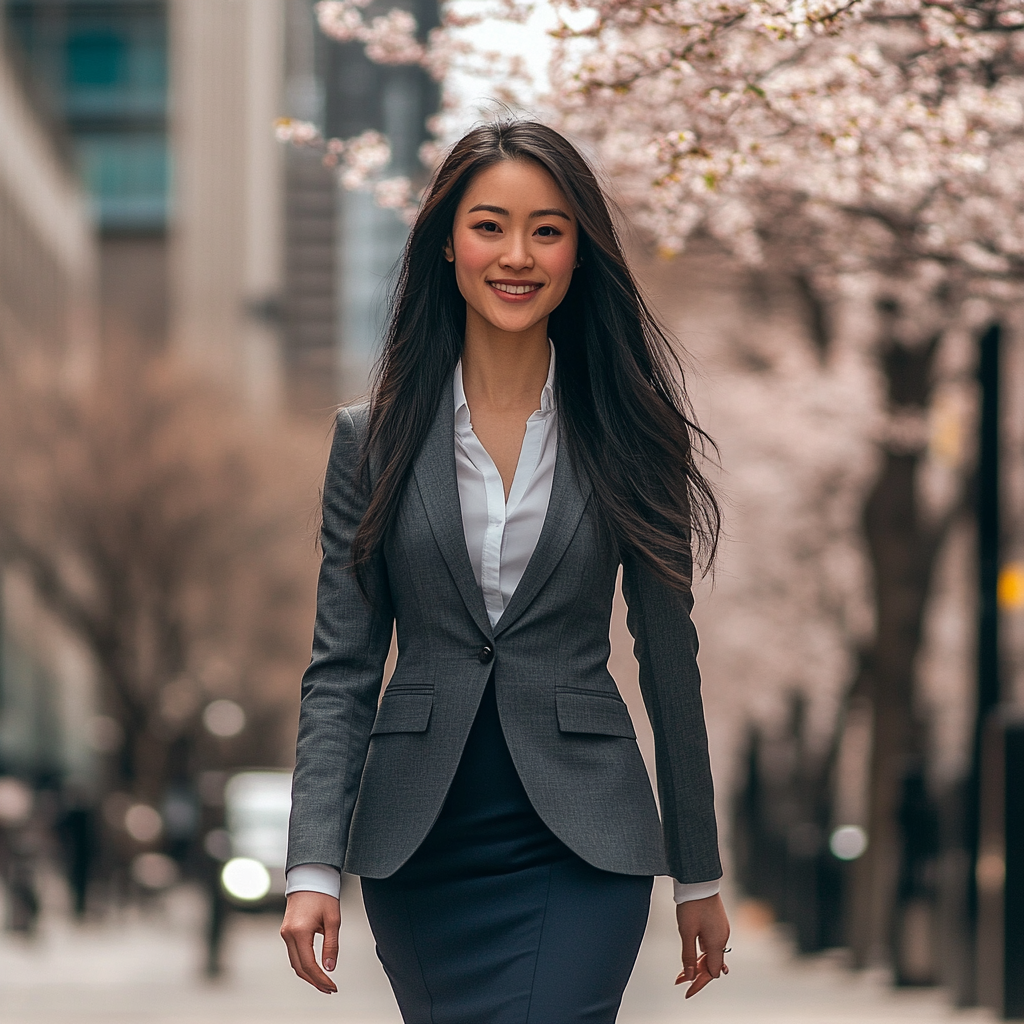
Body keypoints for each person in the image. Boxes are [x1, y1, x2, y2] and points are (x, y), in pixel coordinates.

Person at [280, 119, 730, 1024]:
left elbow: (669, 662)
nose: (516, 254)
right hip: (423, 840)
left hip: (586, 837)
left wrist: (698, 871)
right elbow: (343, 665)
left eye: (548, 229)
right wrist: (312, 864)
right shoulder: (370, 442)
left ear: (578, 253)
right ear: (448, 242)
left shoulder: (633, 436)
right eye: (490, 225)